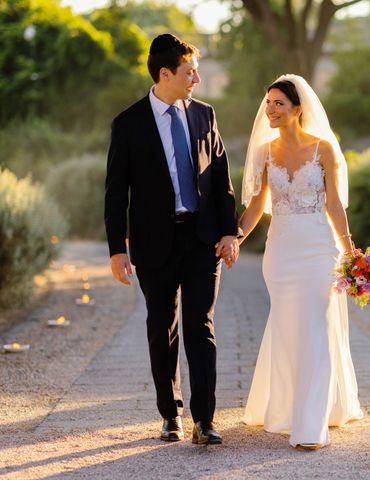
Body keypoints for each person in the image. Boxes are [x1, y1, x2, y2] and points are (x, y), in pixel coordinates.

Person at [104, 34, 241, 445]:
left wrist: (229, 231)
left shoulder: (204, 115)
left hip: (202, 240)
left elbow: (221, 179)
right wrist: (116, 249)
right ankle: (170, 414)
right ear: (165, 73)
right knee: (161, 328)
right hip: (154, 245)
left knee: (201, 325)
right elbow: (116, 192)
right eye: (189, 71)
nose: (196, 77)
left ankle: (205, 420)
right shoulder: (128, 124)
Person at [239, 74, 363, 449]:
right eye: (268, 103)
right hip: (280, 253)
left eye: (278, 103)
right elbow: (257, 206)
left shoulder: (323, 148)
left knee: (313, 326)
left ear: (298, 109)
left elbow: (334, 205)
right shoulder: (264, 153)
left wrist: (350, 250)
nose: (271, 109)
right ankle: (286, 409)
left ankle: (311, 426)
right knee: (288, 326)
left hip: (318, 250)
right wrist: (233, 239)